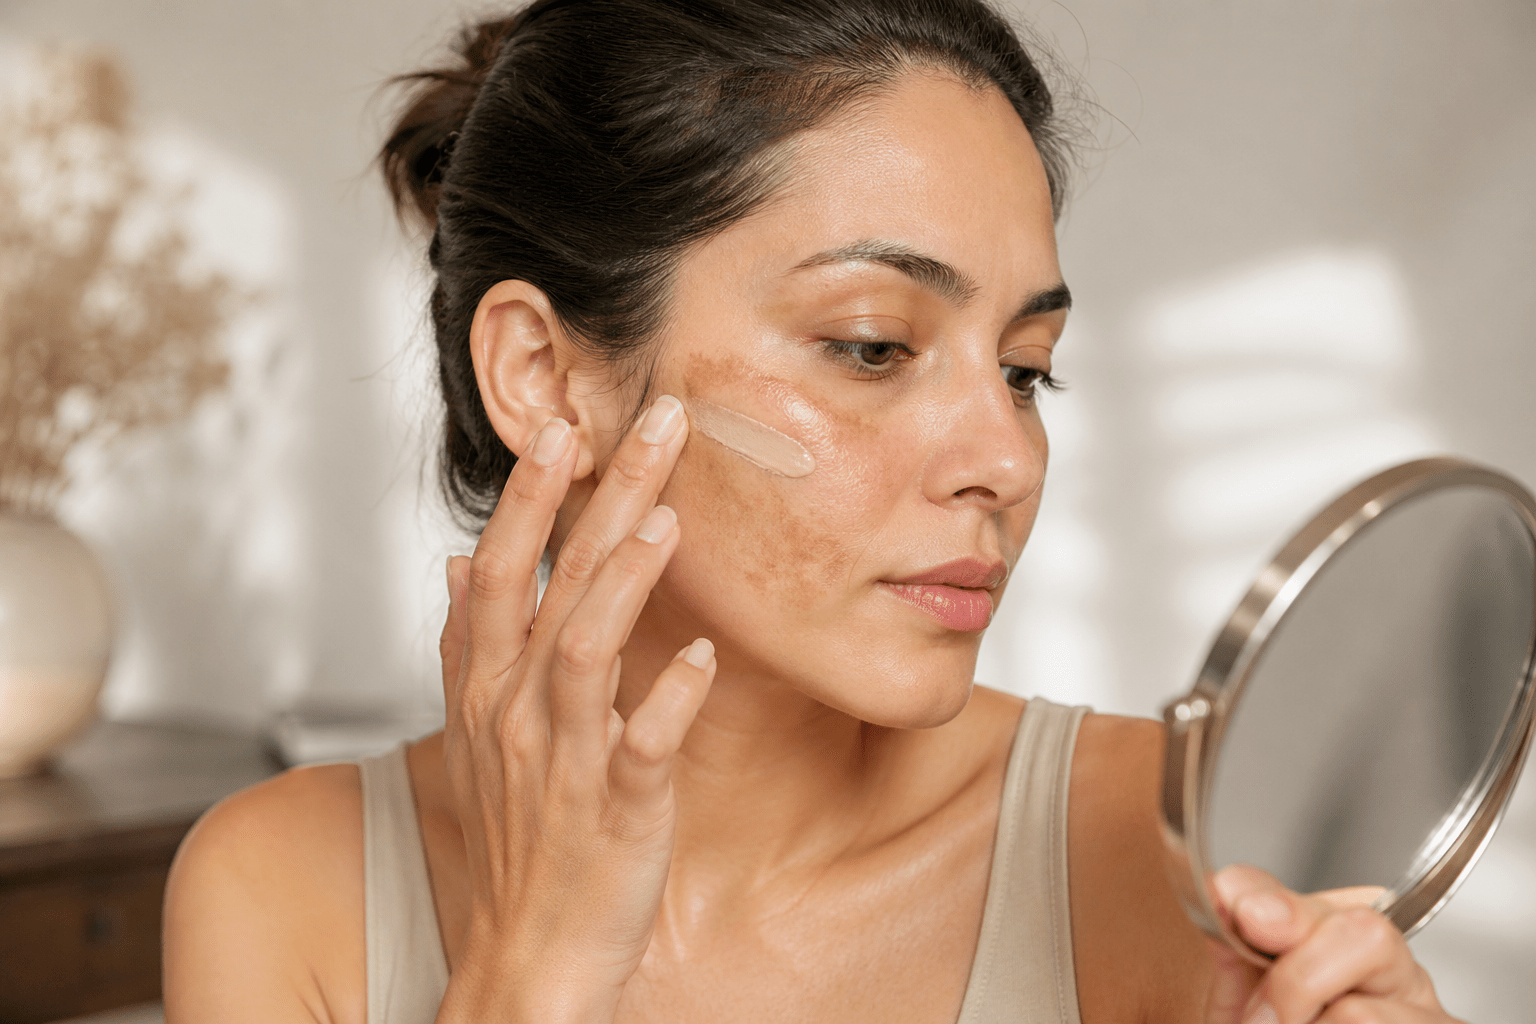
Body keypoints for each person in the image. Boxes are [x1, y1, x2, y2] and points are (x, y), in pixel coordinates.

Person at [160, 1, 1465, 1021]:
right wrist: (534, 974)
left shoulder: (1172, 860)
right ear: (548, 380)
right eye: (871, 345)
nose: (1004, 458)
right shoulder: (287, 893)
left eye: (1024, 369)